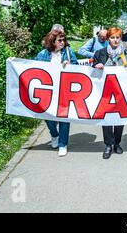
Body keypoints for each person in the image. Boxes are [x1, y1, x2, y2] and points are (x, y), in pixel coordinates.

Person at [35, 29, 78, 157]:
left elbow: (77, 66)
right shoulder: (43, 54)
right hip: (48, 90)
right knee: (47, 116)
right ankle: (54, 134)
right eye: (59, 40)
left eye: (64, 40)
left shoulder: (68, 52)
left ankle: (62, 144)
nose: (63, 42)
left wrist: (70, 65)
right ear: (52, 40)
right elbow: (33, 68)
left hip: (64, 90)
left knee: (64, 117)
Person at [92, 27, 127, 159]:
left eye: (117, 38)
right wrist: (96, 66)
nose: (115, 40)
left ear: (121, 38)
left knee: (120, 118)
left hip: (121, 90)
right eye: (112, 38)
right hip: (105, 91)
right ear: (108, 39)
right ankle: (108, 145)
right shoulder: (100, 53)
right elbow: (91, 71)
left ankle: (117, 143)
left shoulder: (126, 53)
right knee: (107, 118)